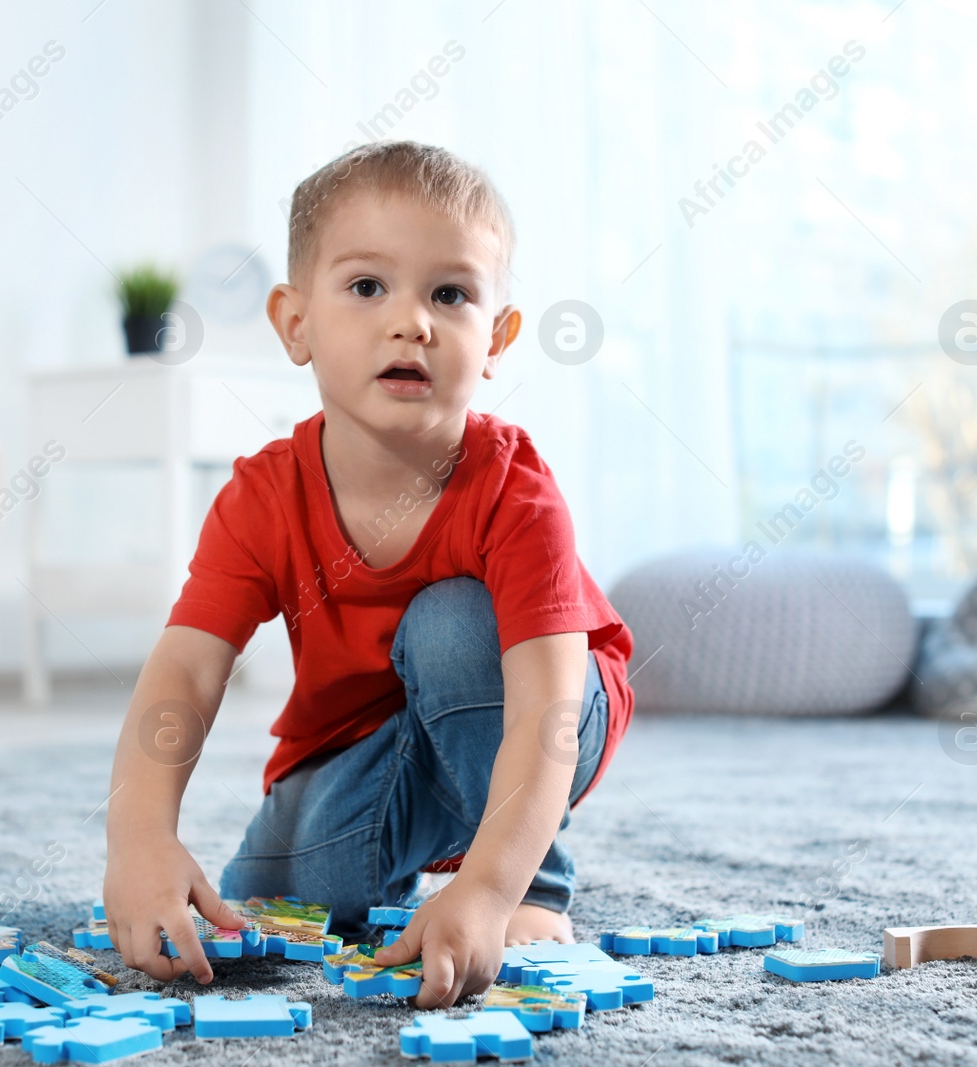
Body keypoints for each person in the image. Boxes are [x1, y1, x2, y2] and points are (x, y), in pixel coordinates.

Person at [101, 141, 634, 1008]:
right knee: (282, 892)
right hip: (371, 740)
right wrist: (138, 838)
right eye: (366, 287)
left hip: (534, 709)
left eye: (450, 294)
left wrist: (494, 890)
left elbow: (549, 710)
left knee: (453, 622)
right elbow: (187, 670)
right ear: (295, 324)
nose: (411, 322)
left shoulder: (514, 489)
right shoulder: (263, 494)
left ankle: (541, 877)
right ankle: (428, 846)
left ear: (496, 337)